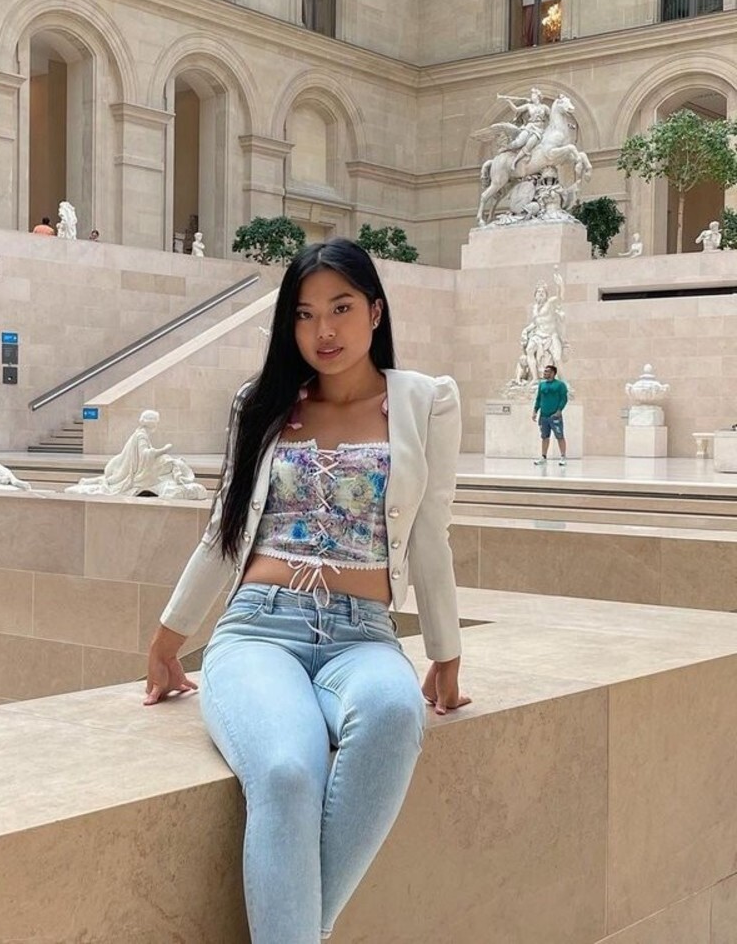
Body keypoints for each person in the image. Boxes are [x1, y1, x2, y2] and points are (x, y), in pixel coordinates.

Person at [145, 238, 468, 944]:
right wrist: (170, 639)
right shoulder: (262, 404)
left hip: (364, 635)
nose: (324, 330)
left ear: (375, 311)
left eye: (341, 308)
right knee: (288, 772)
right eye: (304, 313)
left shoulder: (424, 402)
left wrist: (445, 652)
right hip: (260, 628)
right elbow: (225, 528)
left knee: (393, 714)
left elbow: (430, 533)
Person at [532, 364, 568, 465]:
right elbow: (538, 398)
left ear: (552, 373)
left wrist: (559, 410)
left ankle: (563, 456)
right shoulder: (542, 385)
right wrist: (535, 410)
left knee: (559, 436)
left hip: (555, 416)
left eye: (547, 371)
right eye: (545, 371)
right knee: (544, 437)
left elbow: (564, 398)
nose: (544, 373)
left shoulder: (560, 385)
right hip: (543, 416)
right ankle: (543, 457)